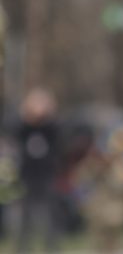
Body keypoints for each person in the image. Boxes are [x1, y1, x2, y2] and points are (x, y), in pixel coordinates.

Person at [15, 87, 61, 253]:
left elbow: (58, 134)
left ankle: (52, 246)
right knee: (26, 214)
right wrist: (29, 116)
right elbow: (16, 130)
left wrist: (46, 114)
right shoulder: (24, 126)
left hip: (47, 174)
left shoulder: (51, 126)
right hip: (27, 174)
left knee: (50, 212)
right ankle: (23, 247)